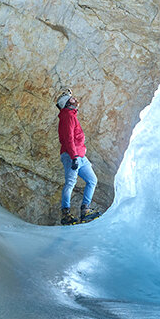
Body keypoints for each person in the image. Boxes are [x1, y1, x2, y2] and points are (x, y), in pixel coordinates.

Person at [55, 91, 96, 224]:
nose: (75, 99)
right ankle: (65, 213)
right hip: (72, 155)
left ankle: (85, 210)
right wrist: (74, 157)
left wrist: (79, 156)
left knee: (92, 180)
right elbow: (68, 139)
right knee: (71, 182)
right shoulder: (67, 116)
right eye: (72, 99)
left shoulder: (71, 115)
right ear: (67, 103)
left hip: (80, 155)